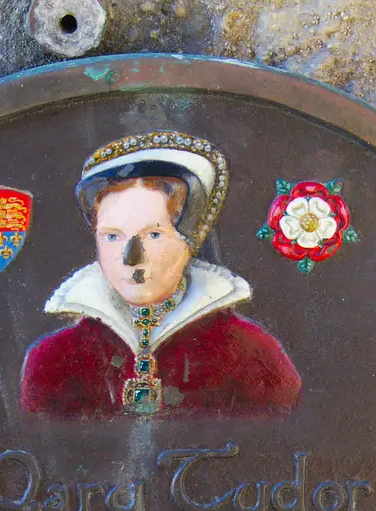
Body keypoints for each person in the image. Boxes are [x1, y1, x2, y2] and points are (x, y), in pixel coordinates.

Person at [20, 132, 301, 416]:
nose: (132, 258)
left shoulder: (251, 354)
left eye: (153, 234)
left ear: (190, 241)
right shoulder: (53, 360)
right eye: (112, 236)